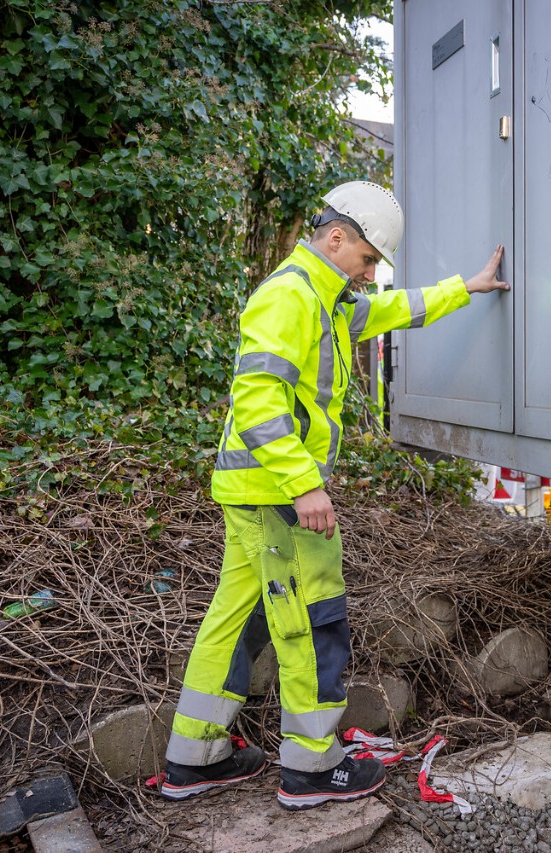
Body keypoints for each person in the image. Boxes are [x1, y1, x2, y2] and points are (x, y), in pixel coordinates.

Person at [160, 181, 509, 809]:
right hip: (277, 496)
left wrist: (468, 288)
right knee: (310, 622)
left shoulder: (323, 300)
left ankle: (196, 756)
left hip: (257, 493)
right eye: (369, 259)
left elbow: (391, 310)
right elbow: (257, 401)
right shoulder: (290, 295)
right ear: (337, 237)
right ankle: (313, 769)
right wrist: (305, 486)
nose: (371, 273)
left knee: (236, 622)